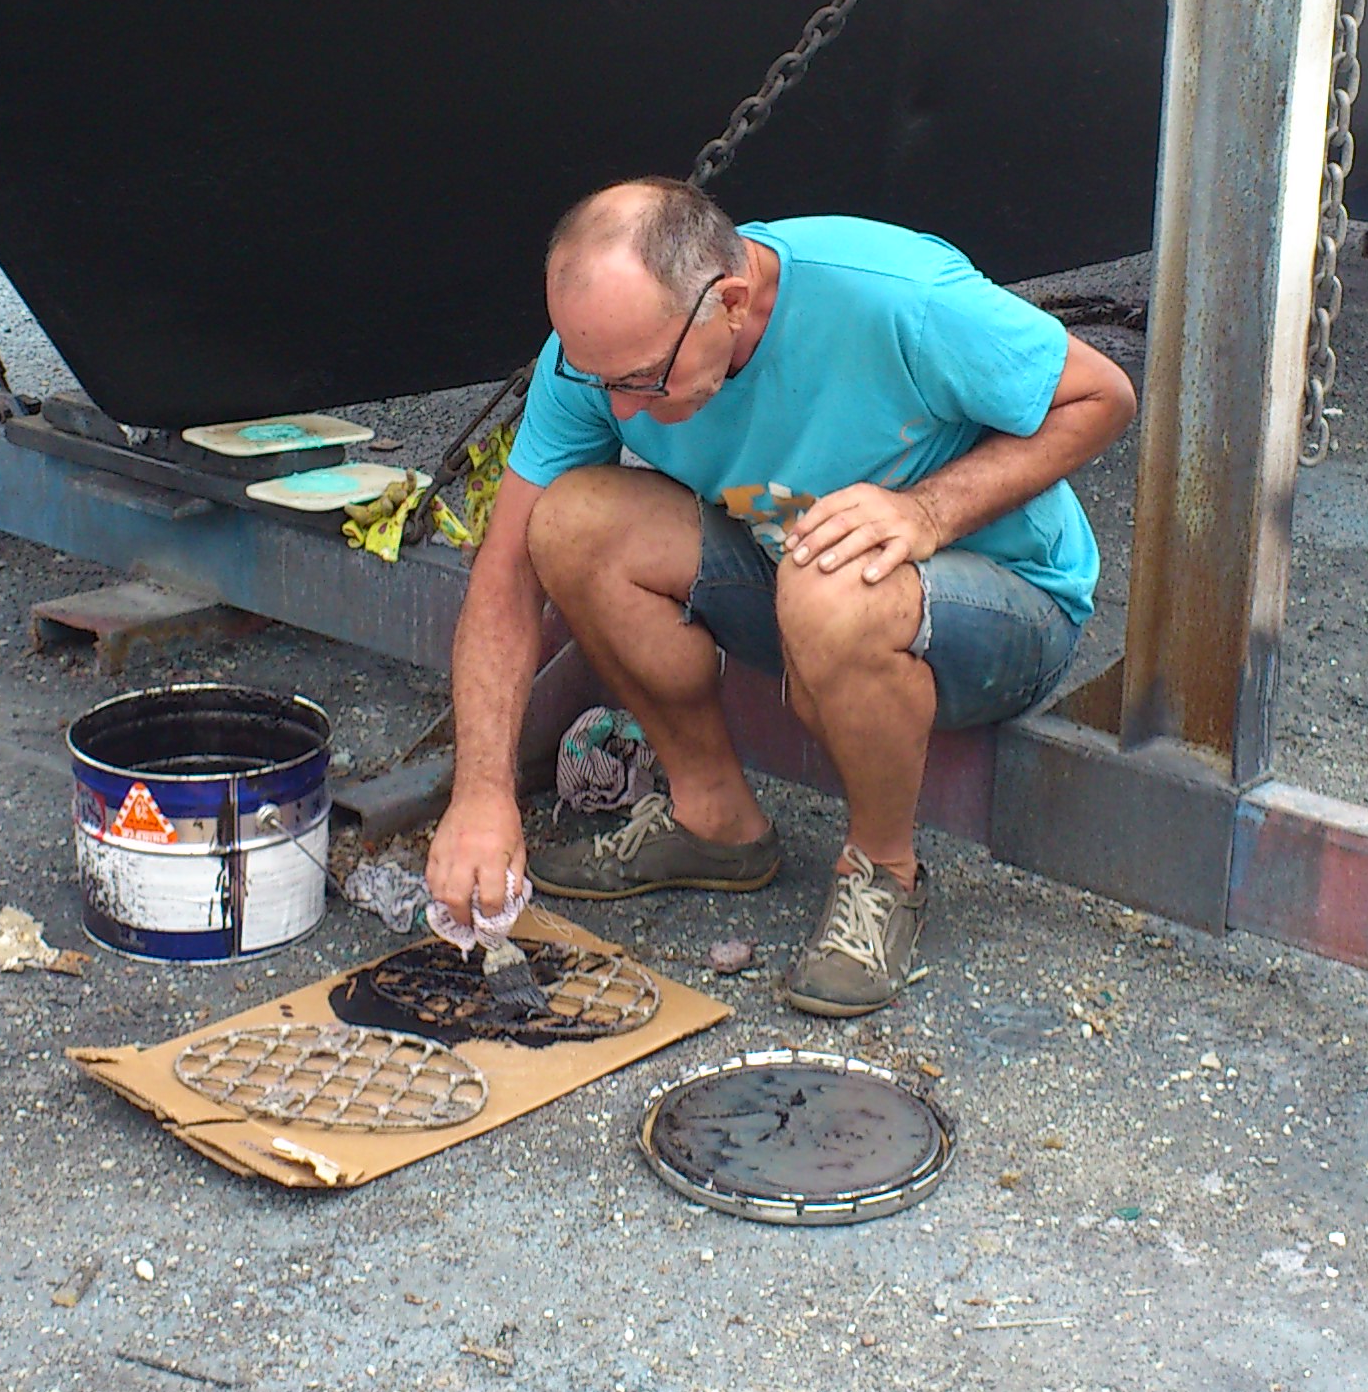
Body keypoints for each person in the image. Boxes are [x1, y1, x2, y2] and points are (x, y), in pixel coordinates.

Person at [423, 177, 1136, 1016]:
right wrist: (481, 792)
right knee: (569, 524)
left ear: (730, 301)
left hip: (1009, 604)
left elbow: (1103, 396)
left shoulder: (895, 294)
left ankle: (884, 871)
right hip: (796, 566)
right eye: (598, 377)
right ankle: (713, 822)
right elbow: (506, 572)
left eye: (644, 380)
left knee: (831, 578)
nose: (619, 407)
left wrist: (927, 512)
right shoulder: (607, 353)